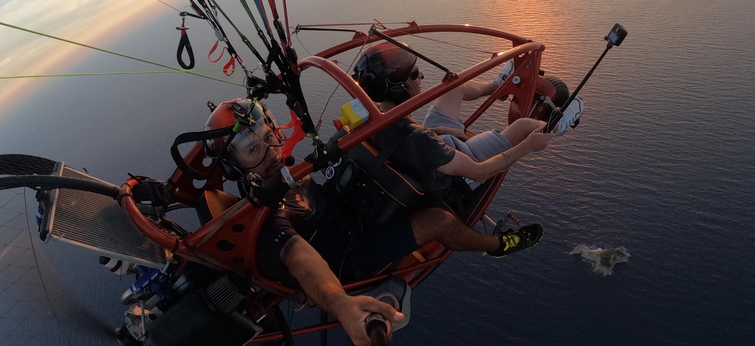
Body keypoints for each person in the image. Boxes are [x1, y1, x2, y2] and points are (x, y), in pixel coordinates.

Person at [216, 98, 554, 346]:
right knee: (438, 220)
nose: (270, 151)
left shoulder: (287, 180)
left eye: (266, 134)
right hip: (354, 257)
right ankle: (497, 245)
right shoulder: (265, 217)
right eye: (251, 149)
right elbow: (298, 257)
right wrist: (342, 304)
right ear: (234, 167)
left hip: (351, 219)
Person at [352, 42, 584, 195]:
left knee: (453, 87)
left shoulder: (378, 115)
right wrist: (527, 146)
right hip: (459, 173)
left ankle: (497, 85)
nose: (421, 74)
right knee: (523, 126)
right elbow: (478, 172)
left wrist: (442, 131)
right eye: (414, 75)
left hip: (432, 146)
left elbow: (407, 139)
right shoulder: (418, 142)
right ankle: (556, 126)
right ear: (398, 90)